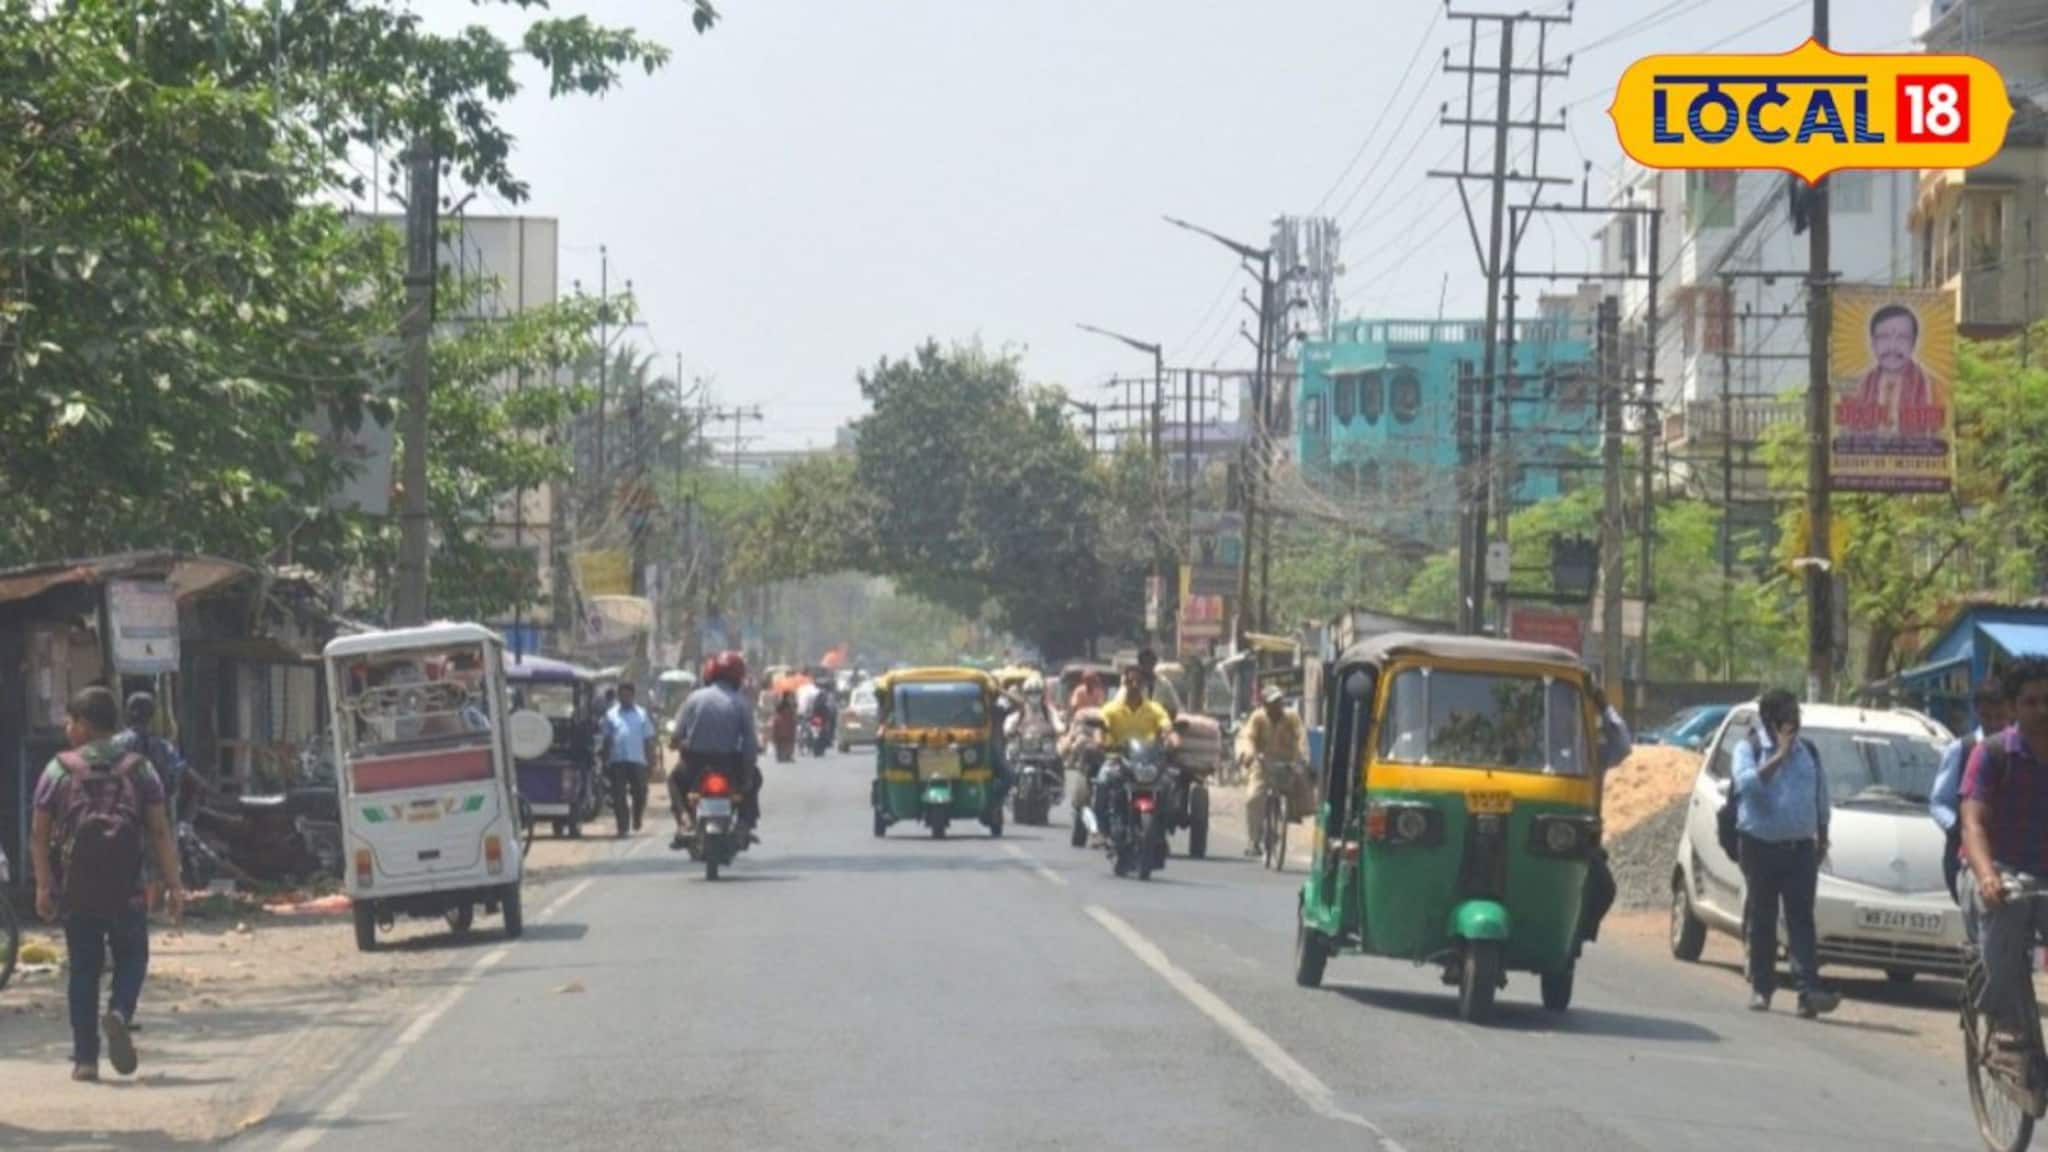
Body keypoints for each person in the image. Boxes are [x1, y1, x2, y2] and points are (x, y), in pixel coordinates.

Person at [30, 687, 184, 1081]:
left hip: (76, 890)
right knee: (132, 957)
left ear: (83, 725)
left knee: (83, 968)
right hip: (128, 887)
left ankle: (85, 1060)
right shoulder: (139, 768)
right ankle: (118, 1012)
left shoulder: (58, 769)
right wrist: (174, 884)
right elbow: (160, 829)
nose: (67, 727)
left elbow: (39, 832)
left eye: (69, 720)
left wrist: (44, 885)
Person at [1960, 657, 2048, 1075]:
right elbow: (1973, 823)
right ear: (2013, 708)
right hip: (1998, 871)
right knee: (2008, 911)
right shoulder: (1992, 753)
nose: (2042, 710)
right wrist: (1988, 876)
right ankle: (2005, 1027)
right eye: (2031, 701)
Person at [1731, 689, 1839, 1018]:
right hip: (1760, 847)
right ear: (1769, 719)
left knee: (1801, 920)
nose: (1795, 723)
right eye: (1788, 716)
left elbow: (1821, 798)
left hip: (1800, 850)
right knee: (1763, 918)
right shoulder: (1747, 748)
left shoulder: (1809, 753)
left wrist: (1822, 838)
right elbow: (1746, 786)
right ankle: (1762, 988)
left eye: (1797, 716)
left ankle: (1808, 992)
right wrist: (1778, 755)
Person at [669, 651, 764, 850]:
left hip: (695, 765)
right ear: (738, 677)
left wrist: (677, 743)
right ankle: (743, 824)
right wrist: (747, 774)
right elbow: (749, 743)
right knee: (754, 778)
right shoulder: (741, 703)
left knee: (675, 780)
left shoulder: (694, 699)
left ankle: (685, 819)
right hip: (729, 764)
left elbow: (677, 735)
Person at [1934, 677, 2011, 905]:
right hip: (1964, 851)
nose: (1994, 724)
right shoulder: (1962, 749)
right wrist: (1958, 828)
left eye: (2000, 717)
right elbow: (1939, 801)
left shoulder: (2017, 751)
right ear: (1977, 712)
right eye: (1988, 717)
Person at [114, 693, 188, 913]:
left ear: (127, 713)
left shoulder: (115, 744)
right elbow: (176, 776)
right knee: (157, 856)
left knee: (126, 858)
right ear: (152, 716)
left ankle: (129, 904)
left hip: (122, 810)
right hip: (156, 809)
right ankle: (152, 908)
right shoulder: (164, 747)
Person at [1091, 667, 1177, 837]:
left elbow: (1167, 728)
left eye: (1139, 682)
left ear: (1144, 685)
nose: (1135, 685)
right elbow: (1100, 728)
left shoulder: (1155, 709)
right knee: (1102, 781)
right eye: (1130, 681)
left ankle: (1163, 827)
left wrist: (1172, 740)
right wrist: (1100, 740)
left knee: (1169, 785)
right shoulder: (1111, 709)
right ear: (1124, 684)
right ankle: (1102, 828)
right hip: (1117, 760)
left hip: (1147, 762)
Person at [1841, 303, 1944, 437]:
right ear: (1873, 342)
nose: (1892, 346)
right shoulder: (1856, 387)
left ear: (1914, 343)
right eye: (1884, 337)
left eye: (1902, 337)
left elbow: (1941, 436)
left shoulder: (1933, 387)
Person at [1235, 685, 1309, 858]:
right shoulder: (1258, 717)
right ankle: (1254, 841)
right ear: (1265, 704)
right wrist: (1250, 754)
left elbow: (1301, 736)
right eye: (1273, 702)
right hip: (1263, 764)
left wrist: (1303, 757)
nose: (1277, 705)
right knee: (1253, 798)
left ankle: (1292, 815)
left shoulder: (1291, 716)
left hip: (1286, 763)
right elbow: (1249, 737)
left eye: (1279, 701)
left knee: (1304, 789)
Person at [600, 681, 658, 837]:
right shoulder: (611, 714)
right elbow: (606, 739)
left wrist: (651, 762)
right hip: (617, 760)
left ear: (633, 695)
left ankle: (637, 817)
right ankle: (622, 826)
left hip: (637, 760)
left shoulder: (642, 714)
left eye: (628, 695)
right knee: (618, 795)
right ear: (618, 695)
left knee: (640, 793)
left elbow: (648, 740)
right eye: (622, 695)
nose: (625, 698)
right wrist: (604, 760)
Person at [1136, 647, 1182, 719]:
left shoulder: (1164, 683)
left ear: (1154, 663)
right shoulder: (1132, 684)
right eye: (1145, 663)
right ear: (1140, 664)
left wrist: (1166, 723)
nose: (1148, 666)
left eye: (1150, 662)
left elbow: (1174, 707)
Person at [770, 692, 798, 762]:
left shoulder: (780, 704)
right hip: (787, 724)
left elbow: (776, 712)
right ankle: (787, 756)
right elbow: (793, 714)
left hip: (780, 724)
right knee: (787, 741)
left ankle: (781, 756)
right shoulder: (790, 706)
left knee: (780, 741)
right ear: (788, 696)